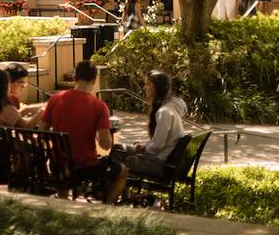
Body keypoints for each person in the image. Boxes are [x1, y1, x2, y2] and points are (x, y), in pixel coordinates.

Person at [38, 60, 127, 204]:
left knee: (65, 173)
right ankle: (107, 206)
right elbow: (105, 145)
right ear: (94, 80)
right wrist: (108, 136)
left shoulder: (55, 99)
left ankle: (63, 201)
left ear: (74, 78)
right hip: (84, 167)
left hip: (58, 165)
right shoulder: (98, 106)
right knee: (121, 170)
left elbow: (42, 130)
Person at [111, 71, 187, 179]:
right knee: (118, 148)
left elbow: (157, 146)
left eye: (147, 84)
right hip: (161, 161)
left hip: (160, 165)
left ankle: (108, 191)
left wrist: (144, 150)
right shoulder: (169, 108)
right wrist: (144, 146)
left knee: (120, 156)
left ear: (157, 87)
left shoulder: (165, 112)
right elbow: (158, 143)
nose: (144, 87)